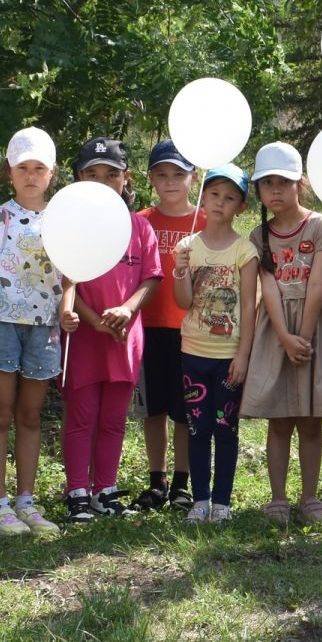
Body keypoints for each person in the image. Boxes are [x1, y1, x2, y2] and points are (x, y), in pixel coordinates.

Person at [242, 143, 322, 523]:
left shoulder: (320, 226)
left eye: (284, 182)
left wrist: (304, 337)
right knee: (279, 418)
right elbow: (270, 288)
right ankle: (277, 498)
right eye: (267, 183)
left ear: (301, 185)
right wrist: (284, 336)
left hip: (315, 328)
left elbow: (316, 283)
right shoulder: (259, 235)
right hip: (276, 329)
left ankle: (310, 498)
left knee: (311, 419)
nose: (275, 190)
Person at [58, 138, 162, 523]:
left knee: (114, 418)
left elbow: (151, 278)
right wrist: (93, 318)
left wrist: (126, 308)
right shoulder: (71, 225)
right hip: (85, 337)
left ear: (126, 178)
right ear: (79, 178)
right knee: (82, 415)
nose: (102, 181)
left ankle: (105, 488)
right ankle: (77, 492)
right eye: (92, 174)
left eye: (111, 174)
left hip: (125, 336)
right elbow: (68, 281)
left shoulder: (140, 228)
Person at [0, 128, 63, 537]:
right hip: (0, 325)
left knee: (29, 415)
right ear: (10, 173)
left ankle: (27, 501)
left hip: (44, 329)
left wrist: (69, 311)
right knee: (1, 412)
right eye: (22, 168)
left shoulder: (63, 219)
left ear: (52, 173)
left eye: (38, 168)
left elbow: (72, 274)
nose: (30, 175)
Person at [173, 163, 258, 524]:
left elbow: (250, 307)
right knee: (197, 428)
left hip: (228, 357)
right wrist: (180, 271)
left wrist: (243, 355)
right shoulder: (188, 246)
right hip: (193, 353)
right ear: (202, 196)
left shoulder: (245, 251)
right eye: (214, 194)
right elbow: (183, 301)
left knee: (225, 429)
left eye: (230, 197)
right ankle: (200, 499)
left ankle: (222, 501)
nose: (220, 202)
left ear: (240, 206)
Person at [136, 140, 205, 513]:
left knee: (185, 411)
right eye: (161, 175)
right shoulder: (141, 220)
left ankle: (182, 483)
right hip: (149, 328)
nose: (170, 182)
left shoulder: (207, 221)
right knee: (154, 409)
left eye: (178, 174)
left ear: (193, 177)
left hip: (192, 331)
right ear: (151, 179)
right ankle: (156, 481)